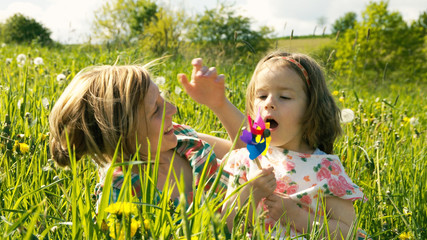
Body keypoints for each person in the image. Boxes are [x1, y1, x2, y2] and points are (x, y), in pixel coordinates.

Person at [48, 62, 238, 210]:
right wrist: (240, 201)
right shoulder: (122, 194)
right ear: (122, 134)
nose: (173, 109)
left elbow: (250, 152)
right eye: (156, 109)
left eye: (163, 99)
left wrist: (220, 105)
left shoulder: (182, 139)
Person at [221, 51, 368, 239]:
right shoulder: (245, 159)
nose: (269, 103)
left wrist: (297, 216)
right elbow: (225, 226)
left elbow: (349, 233)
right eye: (262, 95)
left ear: (311, 109)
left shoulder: (325, 169)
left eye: (284, 97)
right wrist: (251, 193)